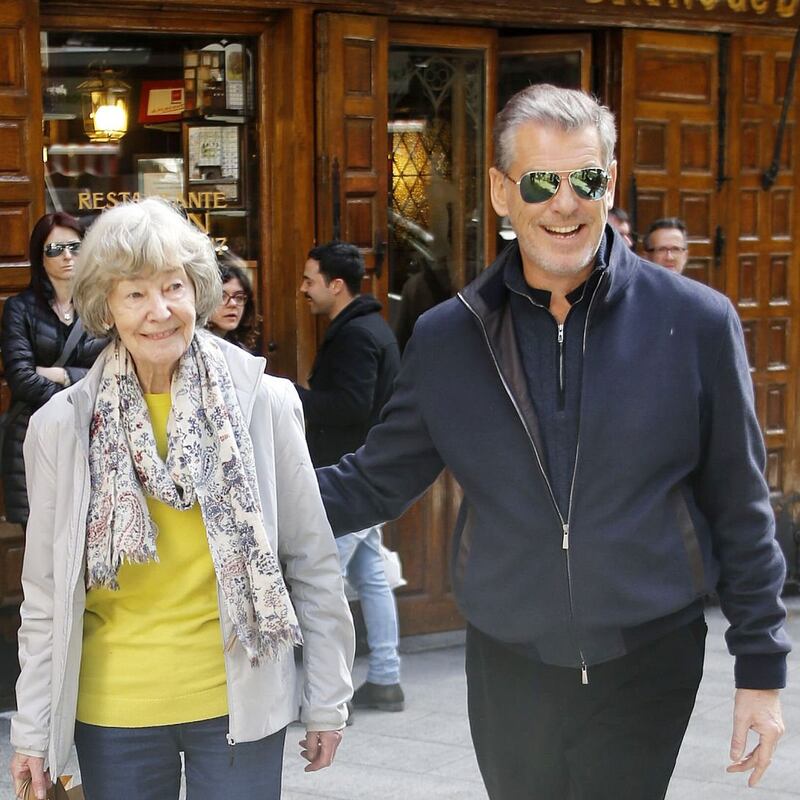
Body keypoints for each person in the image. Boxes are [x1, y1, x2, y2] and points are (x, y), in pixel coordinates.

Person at [316, 84, 790, 799]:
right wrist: (244, 501)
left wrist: (761, 670)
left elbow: (740, 502)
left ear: (611, 182)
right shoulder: (450, 337)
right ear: (502, 192)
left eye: (586, 179)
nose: (565, 204)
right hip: (508, 657)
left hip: (649, 655)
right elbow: (374, 480)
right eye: (541, 181)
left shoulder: (696, 322)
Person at [9, 199, 354, 800]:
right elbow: (45, 593)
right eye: (134, 294)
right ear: (105, 307)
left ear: (198, 291)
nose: (159, 311)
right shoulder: (61, 426)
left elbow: (312, 560)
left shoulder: (263, 403)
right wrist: (33, 732)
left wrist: (328, 698)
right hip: (114, 709)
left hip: (237, 699)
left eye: (173, 287)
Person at [297, 241, 404, 712]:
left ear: (335, 285)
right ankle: (386, 678)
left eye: (310, 280)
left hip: (350, 478)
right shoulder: (365, 327)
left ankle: (328, 700)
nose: (304, 288)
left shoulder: (357, 335)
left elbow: (350, 407)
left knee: (321, 582)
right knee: (370, 575)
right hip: (366, 473)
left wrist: (292, 396)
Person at [0, 212, 106, 527]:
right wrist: (82, 387)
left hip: (91, 434)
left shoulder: (105, 305)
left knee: (89, 528)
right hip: (33, 432)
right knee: (40, 533)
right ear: (40, 258)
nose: (67, 256)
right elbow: (21, 379)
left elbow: (113, 373)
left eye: (74, 247)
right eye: (55, 249)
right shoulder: (20, 308)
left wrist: (63, 375)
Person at [206, 251, 261, 353]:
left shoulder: (240, 350)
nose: (233, 304)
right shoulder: (194, 348)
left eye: (239, 297)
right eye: (222, 296)